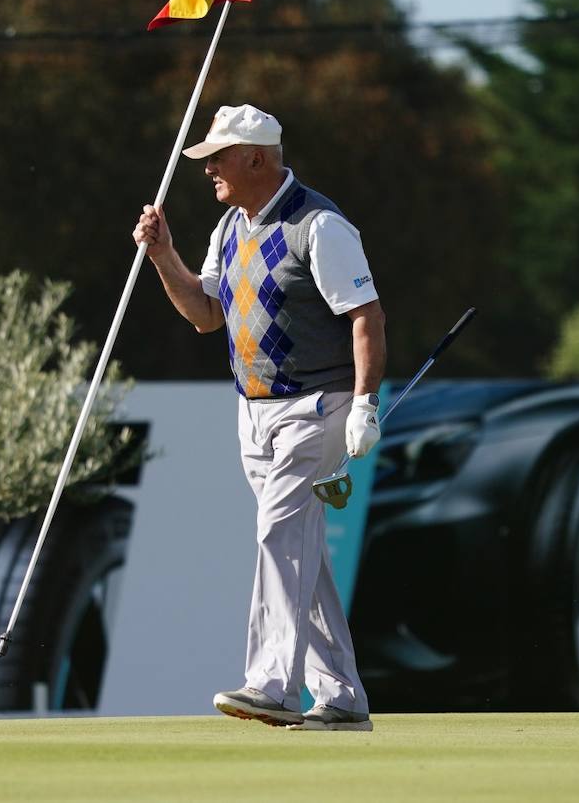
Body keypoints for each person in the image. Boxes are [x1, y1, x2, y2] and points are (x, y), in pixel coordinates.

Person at [132, 103, 385, 732]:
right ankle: (343, 697)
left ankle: (272, 684)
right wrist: (165, 256)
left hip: (316, 408)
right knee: (303, 550)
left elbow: (366, 317)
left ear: (256, 158)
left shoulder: (320, 225)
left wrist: (364, 404)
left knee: (278, 532)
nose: (209, 169)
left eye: (218, 157)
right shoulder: (228, 228)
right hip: (253, 413)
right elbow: (205, 313)